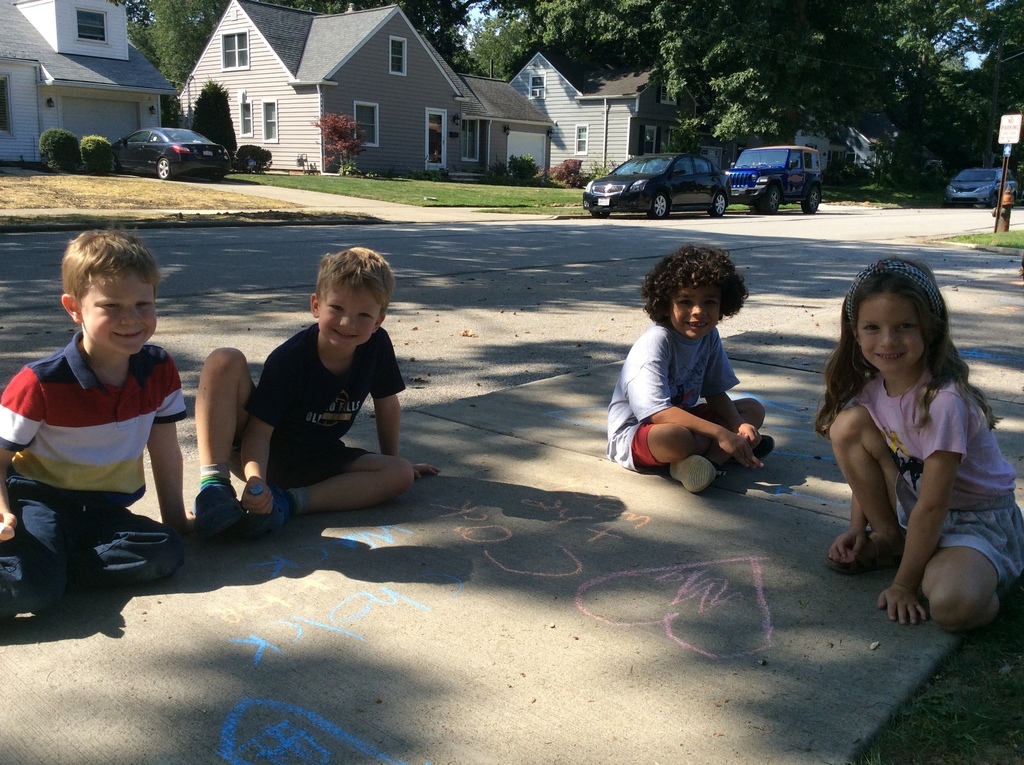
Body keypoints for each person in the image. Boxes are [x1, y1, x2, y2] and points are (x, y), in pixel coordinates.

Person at [816, 258, 1024, 632]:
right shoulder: (872, 389)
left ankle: (976, 569)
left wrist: (903, 585)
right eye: (873, 328)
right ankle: (894, 542)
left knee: (951, 606)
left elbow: (933, 506)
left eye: (904, 326)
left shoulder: (943, 401)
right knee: (846, 427)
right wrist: (857, 528)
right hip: (918, 513)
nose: (888, 341)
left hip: (976, 520)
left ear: (930, 327)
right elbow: (871, 468)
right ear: (855, 332)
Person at [0, 229, 189, 618]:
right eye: (111, 306)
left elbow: (165, 450)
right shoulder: (40, 382)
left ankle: (50, 564)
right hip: (42, 499)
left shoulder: (158, 369)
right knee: (34, 589)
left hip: (103, 507)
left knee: (166, 550)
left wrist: (176, 519)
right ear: (74, 308)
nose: (131, 319)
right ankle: (41, 571)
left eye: (143, 303)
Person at [192, 246, 437, 539]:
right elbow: (258, 433)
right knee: (224, 359)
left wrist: (393, 460)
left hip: (321, 460)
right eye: (337, 309)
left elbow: (387, 405)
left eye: (363, 314)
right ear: (316, 306)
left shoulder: (377, 345)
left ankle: (289, 503)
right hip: (265, 455)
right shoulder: (290, 359)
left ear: (379, 320)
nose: (348, 323)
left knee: (400, 475)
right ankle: (214, 487)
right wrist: (257, 480)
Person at [607, 244, 773, 494]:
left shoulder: (709, 336)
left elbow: (714, 390)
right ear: (665, 303)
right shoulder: (656, 341)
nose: (698, 311)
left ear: (723, 304)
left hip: (683, 421)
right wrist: (720, 433)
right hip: (639, 435)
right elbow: (658, 414)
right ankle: (721, 450)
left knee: (752, 409)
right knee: (678, 438)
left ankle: (707, 465)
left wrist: (737, 424)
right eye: (685, 301)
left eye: (710, 302)